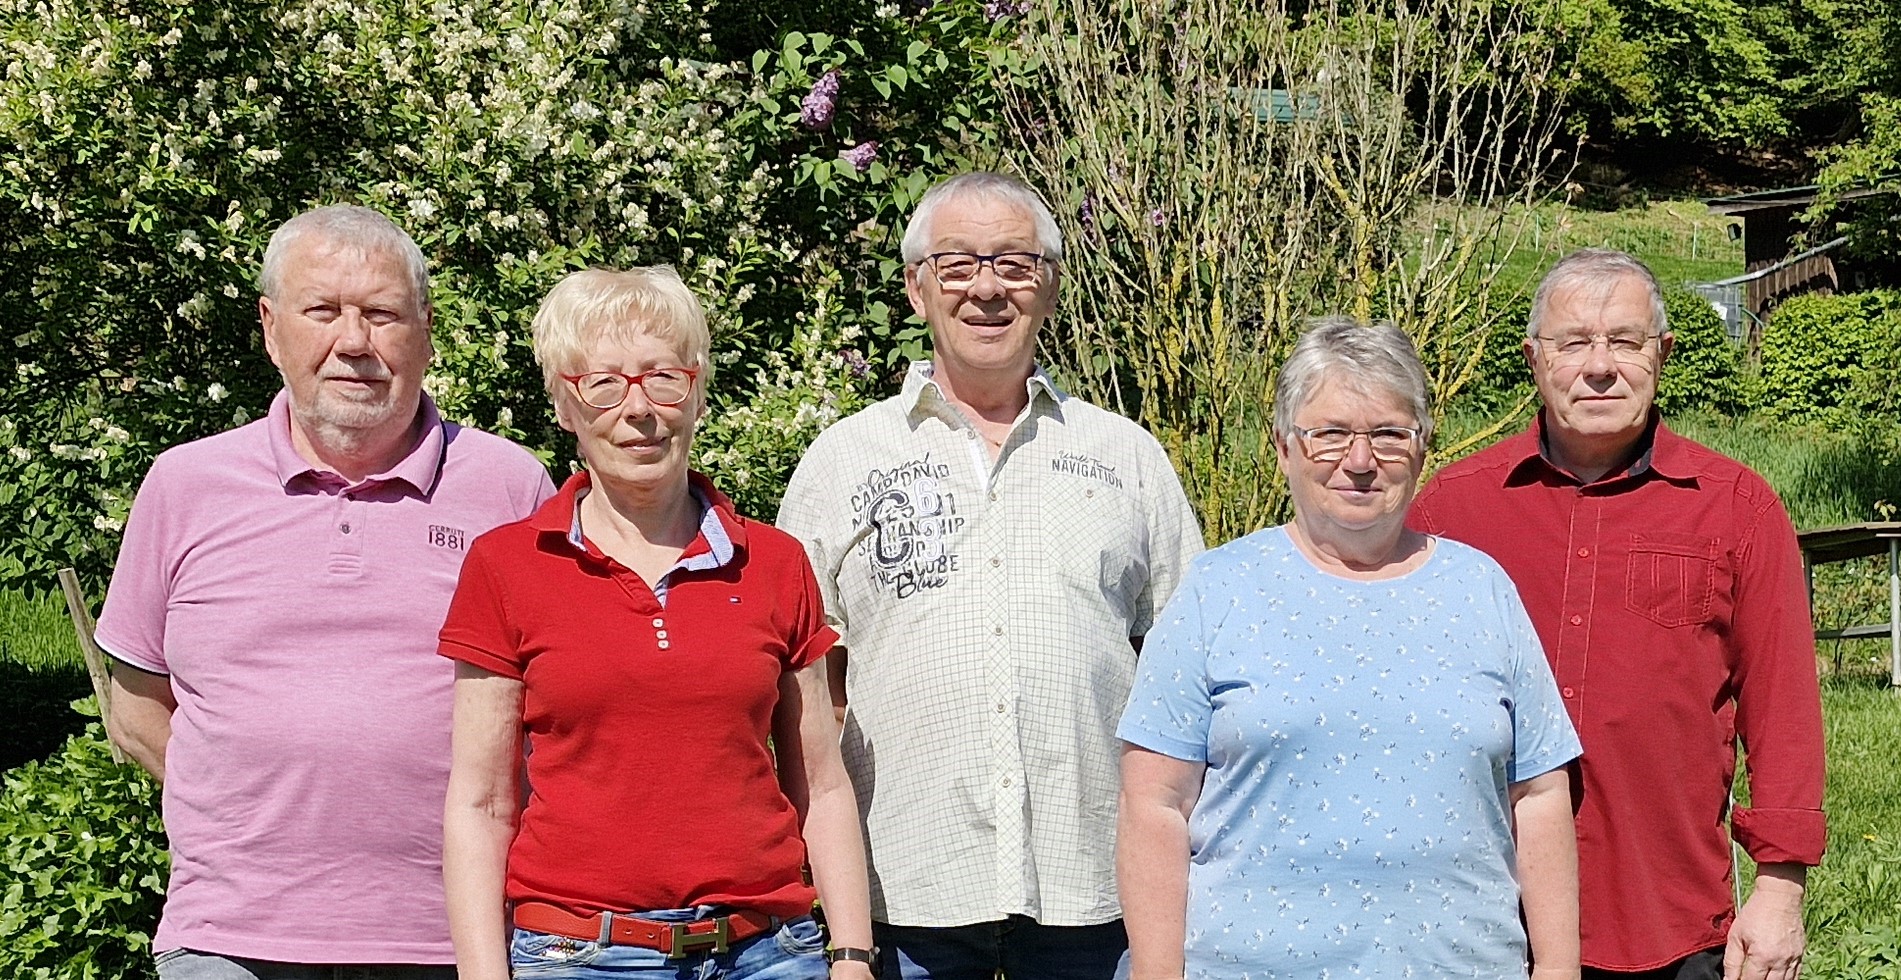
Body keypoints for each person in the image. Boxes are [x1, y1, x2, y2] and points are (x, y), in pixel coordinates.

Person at [94, 204, 556, 979]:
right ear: (272, 329)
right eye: (323, 312)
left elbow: (562, 706)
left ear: (426, 331)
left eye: (381, 314)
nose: (354, 343)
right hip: (228, 940)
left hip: (456, 939)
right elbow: (136, 708)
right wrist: (241, 814)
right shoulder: (185, 485)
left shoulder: (509, 488)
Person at [775, 171, 1206, 980]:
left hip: (1095, 890)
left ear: (1048, 284)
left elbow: (1186, 675)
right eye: (957, 263)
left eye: (1014, 263)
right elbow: (799, 692)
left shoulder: (1126, 457)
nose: (986, 288)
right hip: (903, 889)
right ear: (915, 288)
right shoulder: (841, 462)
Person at [438, 266, 876, 980]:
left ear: (697, 389)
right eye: (603, 384)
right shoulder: (506, 567)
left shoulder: (774, 562)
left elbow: (820, 785)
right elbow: (481, 803)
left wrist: (851, 956)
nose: (637, 410)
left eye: (662, 378)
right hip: (580, 957)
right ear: (563, 405)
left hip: (767, 953)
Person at [1116, 317, 1583, 980]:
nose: (1359, 462)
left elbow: (1538, 793)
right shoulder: (1216, 591)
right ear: (1282, 447)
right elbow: (1153, 805)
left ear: (1422, 449)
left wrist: (1558, 970)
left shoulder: (1481, 589)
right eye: (1329, 434)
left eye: (1388, 435)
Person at [1409, 249, 1826, 980]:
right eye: (1573, 343)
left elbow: (1782, 710)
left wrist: (1779, 890)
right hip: (1477, 914)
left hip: (1663, 918)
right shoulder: (1452, 510)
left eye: (1624, 341)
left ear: (1661, 354)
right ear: (1533, 359)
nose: (1598, 366)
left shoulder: (1734, 509)